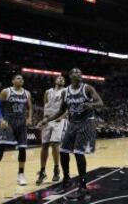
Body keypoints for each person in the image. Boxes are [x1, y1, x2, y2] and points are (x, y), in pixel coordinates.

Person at [38, 68, 103, 201]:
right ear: (70, 76)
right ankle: (66, 180)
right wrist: (47, 119)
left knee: (79, 153)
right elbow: (62, 110)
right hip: (72, 123)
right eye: (74, 72)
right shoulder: (65, 92)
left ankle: (83, 186)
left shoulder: (87, 88)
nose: (78, 74)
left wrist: (90, 105)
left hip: (86, 123)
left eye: (80, 72)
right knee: (63, 151)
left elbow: (100, 103)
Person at [0, 74, 32, 190]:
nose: (21, 80)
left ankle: (21, 174)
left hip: (21, 122)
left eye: (22, 78)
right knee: (1, 147)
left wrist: (29, 117)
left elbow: (30, 107)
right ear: (12, 81)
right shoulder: (6, 91)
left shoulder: (27, 93)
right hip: (8, 121)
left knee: (22, 148)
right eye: (18, 78)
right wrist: (1, 119)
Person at [36, 75, 67, 185]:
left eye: (63, 79)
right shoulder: (47, 92)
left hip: (58, 120)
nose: (61, 79)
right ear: (55, 80)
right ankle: (42, 171)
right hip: (47, 120)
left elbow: (68, 108)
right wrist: (44, 118)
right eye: (59, 78)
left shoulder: (66, 91)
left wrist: (62, 117)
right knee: (44, 146)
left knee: (55, 144)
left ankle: (56, 169)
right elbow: (45, 105)